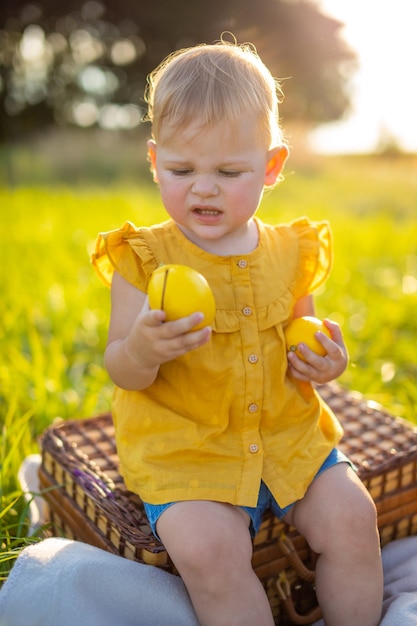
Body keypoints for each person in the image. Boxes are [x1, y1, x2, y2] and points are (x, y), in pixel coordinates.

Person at [92, 38, 383, 626]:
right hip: (187, 449)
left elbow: (307, 332)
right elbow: (119, 364)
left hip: (286, 436)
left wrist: (328, 361)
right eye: (181, 170)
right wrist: (143, 348)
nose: (203, 187)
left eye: (229, 171)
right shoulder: (145, 259)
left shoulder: (290, 251)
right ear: (154, 162)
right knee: (210, 551)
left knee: (355, 519)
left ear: (271, 167)